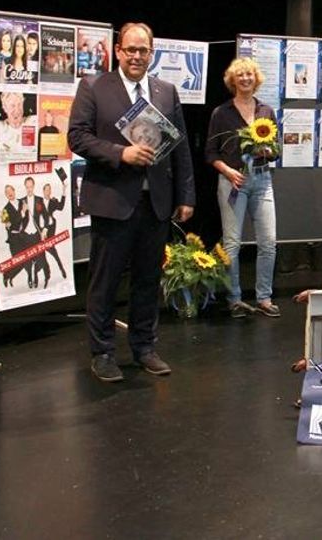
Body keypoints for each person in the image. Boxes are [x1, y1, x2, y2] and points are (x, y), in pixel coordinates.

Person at [68, 22, 195, 382]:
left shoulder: (166, 91)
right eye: (131, 49)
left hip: (156, 202)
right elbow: (77, 137)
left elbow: (181, 147)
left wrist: (186, 195)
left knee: (147, 279)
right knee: (105, 282)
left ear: (151, 53)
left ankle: (144, 348)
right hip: (112, 200)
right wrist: (119, 153)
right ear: (118, 51)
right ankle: (103, 353)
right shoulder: (94, 86)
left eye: (144, 50)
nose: (137, 56)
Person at [205, 57, 280, 318]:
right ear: (232, 80)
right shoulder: (221, 113)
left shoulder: (266, 111)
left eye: (249, 74)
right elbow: (210, 153)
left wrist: (269, 151)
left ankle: (264, 298)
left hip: (262, 180)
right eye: (240, 75)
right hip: (232, 182)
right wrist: (228, 171)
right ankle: (234, 299)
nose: (246, 78)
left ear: (256, 78)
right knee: (232, 244)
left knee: (268, 242)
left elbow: (277, 151)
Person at [19, 176, 50, 288]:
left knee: (40, 258)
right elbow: (17, 220)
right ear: (25, 187)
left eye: (31, 187)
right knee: (27, 258)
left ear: (34, 186)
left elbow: (46, 217)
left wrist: (45, 230)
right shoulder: (21, 201)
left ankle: (36, 275)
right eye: (27, 187)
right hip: (26, 235)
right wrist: (23, 212)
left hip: (37, 234)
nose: (29, 189)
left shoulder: (39, 200)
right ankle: (29, 277)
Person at [0, 184, 28, 288]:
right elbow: (12, 225)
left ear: (14, 190)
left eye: (10, 191)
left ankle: (10, 276)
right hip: (14, 239)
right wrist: (22, 213)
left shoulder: (22, 202)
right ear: (5, 195)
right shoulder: (5, 209)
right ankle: (6, 274)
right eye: (7, 192)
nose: (9, 193)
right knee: (18, 261)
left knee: (25, 261)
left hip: (24, 237)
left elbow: (27, 219)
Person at [41, 180, 68, 279]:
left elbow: (61, 207)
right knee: (40, 252)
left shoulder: (53, 201)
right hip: (41, 229)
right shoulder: (39, 202)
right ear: (43, 191)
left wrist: (64, 190)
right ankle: (45, 273)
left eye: (49, 190)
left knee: (52, 250)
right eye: (46, 190)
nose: (48, 192)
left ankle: (61, 268)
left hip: (51, 228)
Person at [0, 91, 36, 155]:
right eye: (12, 106)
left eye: (19, 104)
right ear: (5, 108)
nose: (17, 110)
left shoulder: (32, 121)